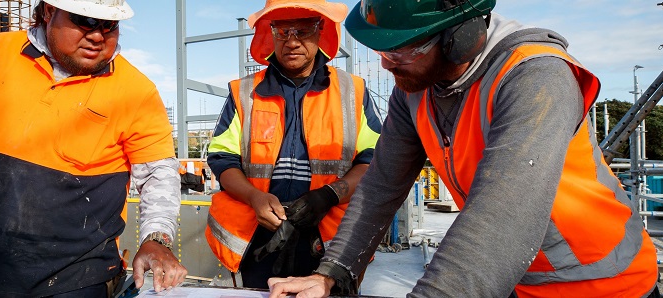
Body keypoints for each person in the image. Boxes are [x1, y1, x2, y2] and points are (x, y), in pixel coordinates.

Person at [268, 0, 660, 297]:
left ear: (461, 37)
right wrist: (332, 274)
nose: (387, 65)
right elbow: (381, 187)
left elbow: (502, 218)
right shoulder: (415, 90)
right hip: (511, 280)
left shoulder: (536, 77)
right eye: (383, 52)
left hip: (601, 283)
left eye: (402, 52)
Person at [0, 0, 187, 296]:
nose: (98, 36)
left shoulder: (136, 92)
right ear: (49, 11)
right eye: (83, 20)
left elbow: (157, 175)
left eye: (109, 25)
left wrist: (157, 238)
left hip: (75, 281)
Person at [205, 0, 382, 290]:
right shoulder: (244, 93)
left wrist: (328, 196)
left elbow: (374, 162)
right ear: (269, 31)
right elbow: (223, 159)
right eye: (282, 31)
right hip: (260, 240)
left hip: (331, 244)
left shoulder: (353, 91)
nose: (292, 41)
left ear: (321, 30)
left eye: (303, 30)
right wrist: (253, 197)